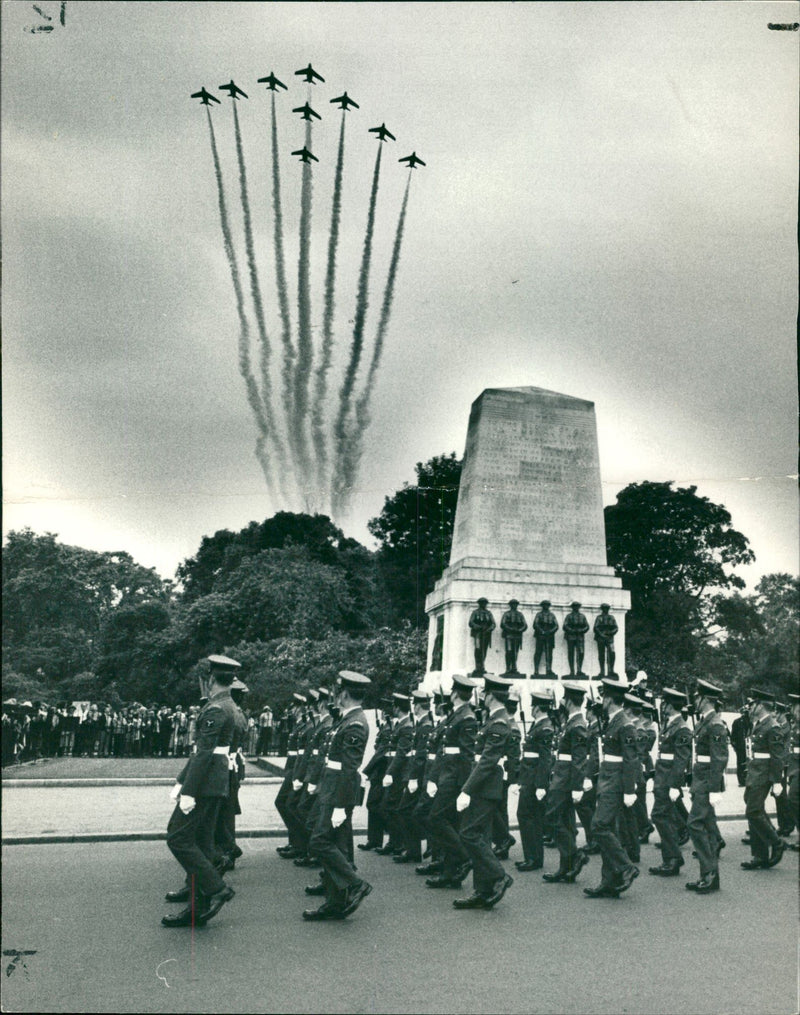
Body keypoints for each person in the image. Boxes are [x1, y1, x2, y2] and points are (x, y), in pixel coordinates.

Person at [162, 655, 240, 927]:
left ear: (208, 680)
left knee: (178, 837)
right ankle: (198, 908)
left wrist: (189, 791)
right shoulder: (224, 705)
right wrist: (182, 781)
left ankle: (216, 889)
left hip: (206, 784)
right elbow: (202, 753)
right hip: (212, 782)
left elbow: (204, 753)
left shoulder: (216, 709)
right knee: (203, 844)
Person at [303, 670, 372, 921]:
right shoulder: (347, 719)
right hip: (332, 788)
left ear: (344, 694)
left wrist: (341, 805)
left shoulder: (354, 723)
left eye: (338, 692)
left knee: (320, 841)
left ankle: (354, 883)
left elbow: (349, 767)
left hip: (338, 792)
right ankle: (335, 901)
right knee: (337, 844)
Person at [452, 674, 515, 910]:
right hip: (483, 785)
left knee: (469, 834)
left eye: (485, 694)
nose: (483, 697)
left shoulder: (499, 722)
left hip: (485, 787)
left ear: (490, 696)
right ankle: (483, 889)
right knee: (482, 838)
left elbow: (488, 760)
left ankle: (498, 876)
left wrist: (467, 789)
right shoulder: (493, 719)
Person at [583, 678, 640, 899]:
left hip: (614, 782)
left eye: (604, 697)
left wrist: (629, 790)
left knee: (599, 826)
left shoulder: (624, 724)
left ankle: (626, 867)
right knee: (610, 829)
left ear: (609, 699)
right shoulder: (612, 721)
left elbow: (630, 760)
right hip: (607, 779)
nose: (601, 701)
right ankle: (610, 880)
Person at [425, 673, 478, 890]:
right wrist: (433, 778)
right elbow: (444, 750)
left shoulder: (467, 717)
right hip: (447, 775)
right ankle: (450, 873)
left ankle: (464, 857)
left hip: (454, 778)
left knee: (436, 819)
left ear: (455, 693)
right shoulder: (457, 715)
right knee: (451, 824)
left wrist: (464, 788)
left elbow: (467, 755)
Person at [543, 682, 591, 884]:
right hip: (562, 777)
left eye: (564, 698)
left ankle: (574, 854)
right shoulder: (572, 722)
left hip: (564, 781)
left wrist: (577, 786)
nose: (561, 701)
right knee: (564, 821)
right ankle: (566, 866)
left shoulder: (577, 724)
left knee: (551, 819)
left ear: (569, 701)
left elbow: (579, 759)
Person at [685, 679, 729, 893]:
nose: (694, 699)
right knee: (708, 827)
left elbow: (719, 758)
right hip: (700, 780)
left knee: (694, 823)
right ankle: (709, 874)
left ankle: (710, 872)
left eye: (697, 697)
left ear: (705, 700)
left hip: (706, 782)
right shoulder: (705, 721)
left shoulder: (716, 724)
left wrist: (714, 788)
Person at [648, 687, 693, 877]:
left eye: (664, 703)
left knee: (660, 816)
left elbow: (681, 760)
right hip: (662, 778)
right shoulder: (670, 724)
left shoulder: (681, 727)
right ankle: (671, 858)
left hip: (668, 780)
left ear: (669, 705)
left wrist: (675, 785)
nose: (662, 706)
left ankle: (673, 858)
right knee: (662, 816)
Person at [741, 689, 786, 872]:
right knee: (754, 809)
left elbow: (777, 756)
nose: (750, 707)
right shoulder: (759, 723)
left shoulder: (772, 726)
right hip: (755, 771)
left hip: (763, 774)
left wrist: (777, 781)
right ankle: (759, 855)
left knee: (753, 811)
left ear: (761, 706)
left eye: (753, 704)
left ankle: (776, 842)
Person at [515, 690, 555, 872]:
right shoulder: (540, 725)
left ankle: (533, 857)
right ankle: (533, 857)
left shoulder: (544, 727)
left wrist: (540, 784)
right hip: (529, 779)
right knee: (530, 818)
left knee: (527, 817)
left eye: (533, 706)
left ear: (537, 708)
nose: (531, 709)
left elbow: (545, 759)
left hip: (533, 782)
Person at [393, 689, 434, 864]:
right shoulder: (422, 724)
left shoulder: (425, 726)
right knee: (411, 811)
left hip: (421, 776)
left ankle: (423, 846)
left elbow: (421, 756)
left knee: (408, 811)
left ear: (417, 706)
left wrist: (414, 778)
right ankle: (415, 849)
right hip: (418, 775)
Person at [360, 701, 394, 852]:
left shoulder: (388, 730)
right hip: (378, 773)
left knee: (378, 806)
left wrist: (366, 770)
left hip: (381, 772)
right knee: (374, 805)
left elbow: (380, 753)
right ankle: (374, 840)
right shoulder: (385, 728)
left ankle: (393, 838)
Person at [786, 693, 800, 851]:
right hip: (795, 767)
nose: (792, 710)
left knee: (793, 799)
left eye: (794, 707)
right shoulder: (795, 724)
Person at [468, 598, 495, 674]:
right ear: (479, 603)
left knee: (484, 650)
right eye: (482, 603)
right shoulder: (475, 612)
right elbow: (471, 622)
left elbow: (493, 624)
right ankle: (477, 667)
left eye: (485, 603)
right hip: (478, 634)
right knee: (478, 650)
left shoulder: (488, 613)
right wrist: (478, 627)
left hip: (486, 634)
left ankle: (482, 667)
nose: (483, 604)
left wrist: (488, 629)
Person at [563, 602, 590, 677]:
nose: (576, 608)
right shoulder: (569, 616)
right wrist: (572, 630)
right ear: (572, 607)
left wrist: (581, 630)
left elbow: (587, 626)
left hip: (580, 637)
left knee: (581, 653)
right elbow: (565, 626)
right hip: (571, 637)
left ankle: (579, 670)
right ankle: (572, 671)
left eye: (577, 606)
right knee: (571, 653)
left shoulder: (582, 616)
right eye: (574, 606)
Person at [500, 600, 527, 674]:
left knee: (515, 652)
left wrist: (519, 630)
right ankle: (508, 668)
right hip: (509, 635)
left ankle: (514, 668)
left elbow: (525, 625)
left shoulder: (520, 614)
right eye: (513, 604)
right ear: (510, 605)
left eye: (515, 604)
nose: (514, 605)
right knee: (509, 651)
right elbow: (503, 624)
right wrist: (511, 629)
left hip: (517, 635)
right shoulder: (507, 614)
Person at [532, 601, 559, 676]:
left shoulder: (552, 615)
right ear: (542, 606)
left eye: (547, 605)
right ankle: (536, 670)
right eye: (544, 605)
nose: (546, 606)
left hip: (549, 636)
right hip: (540, 635)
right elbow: (535, 624)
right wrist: (542, 631)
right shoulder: (539, 615)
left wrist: (550, 631)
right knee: (538, 652)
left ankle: (549, 669)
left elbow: (556, 626)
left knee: (549, 653)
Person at [593, 604, 618, 677]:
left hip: (610, 638)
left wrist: (609, 633)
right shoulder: (599, 618)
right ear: (602, 609)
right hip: (601, 638)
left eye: (607, 608)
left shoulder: (611, 618)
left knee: (612, 654)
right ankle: (602, 671)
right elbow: (595, 628)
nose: (606, 610)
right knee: (601, 654)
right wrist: (601, 634)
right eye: (604, 608)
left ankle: (611, 670)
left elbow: (616, 628)